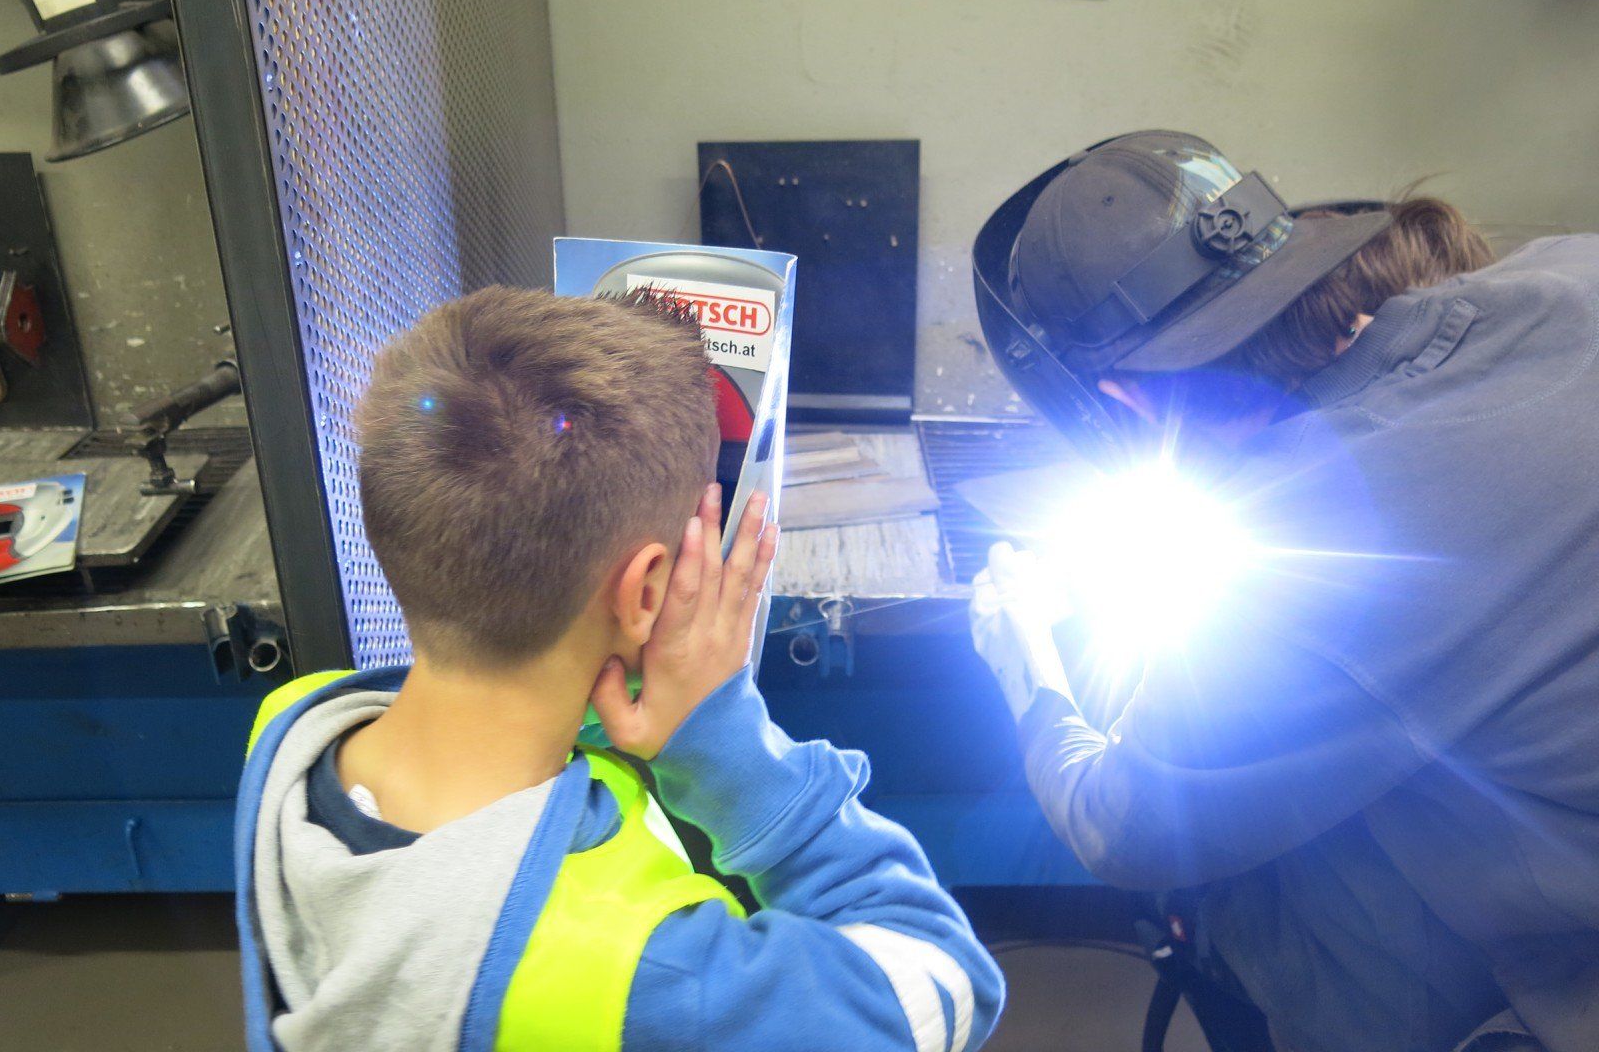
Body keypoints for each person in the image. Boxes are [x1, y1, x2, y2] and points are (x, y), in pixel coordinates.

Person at [235, 286, 1004, 1052]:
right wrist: (726, 749)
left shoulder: (294, 730)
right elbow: (946, 982)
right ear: (643, 592)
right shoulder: (653, 979)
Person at [968, 131, 1599, 1052]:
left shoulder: (1310, 542)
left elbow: (1128, 828)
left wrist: (1024, 658)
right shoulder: (1570, 271)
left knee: (1281, 876)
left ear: (1127, 398)